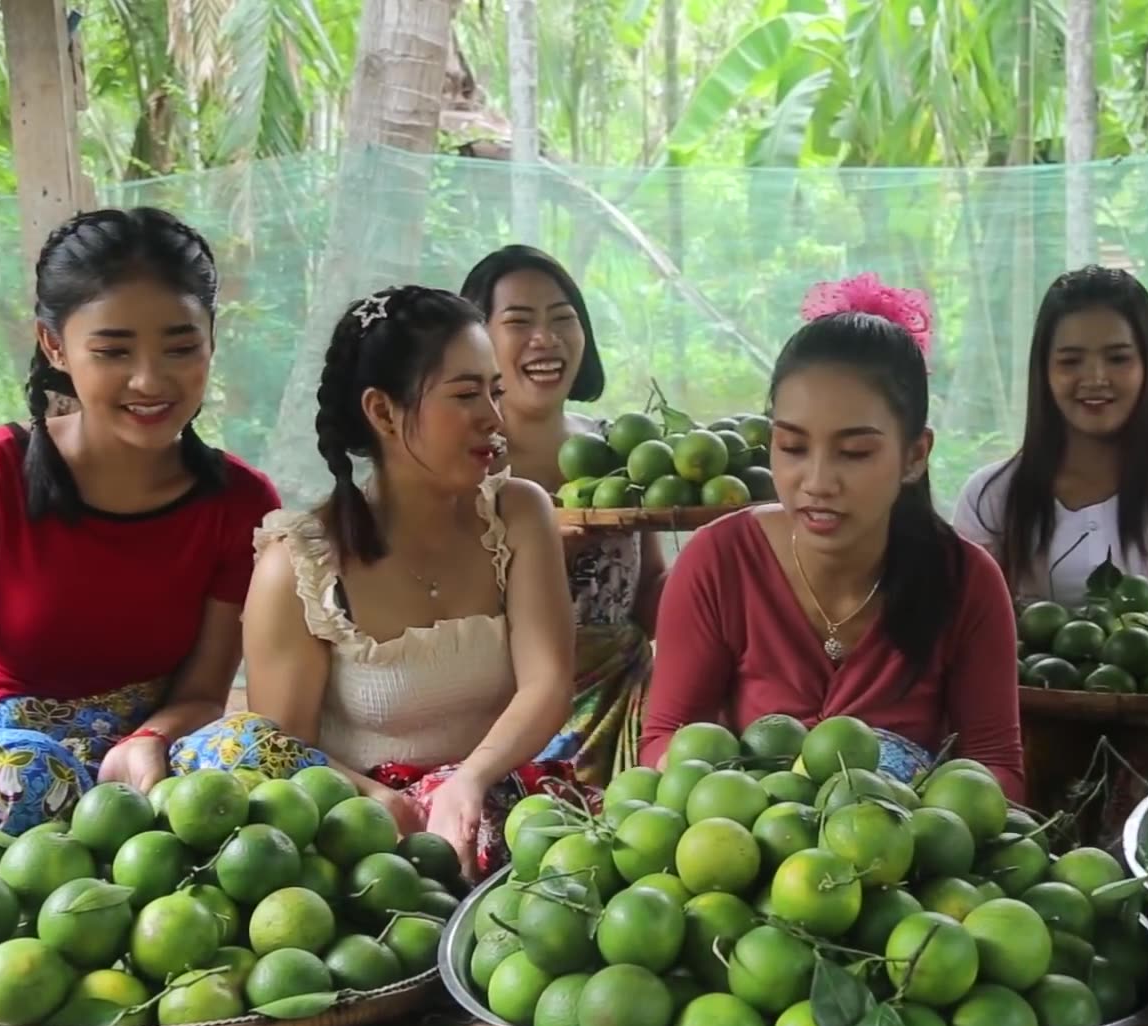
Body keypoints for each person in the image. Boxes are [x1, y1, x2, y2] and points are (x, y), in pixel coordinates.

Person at [0, 208, 282, 885]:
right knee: (18, 780)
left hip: (157, 756)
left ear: (212, 339)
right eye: (114, 351)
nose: (150, 380)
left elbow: (208, 690)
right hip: (11, 758)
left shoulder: (241, 503)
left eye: (181, 348)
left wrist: (151, 738)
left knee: (264, 756)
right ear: (55, 346)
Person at [229, 284, 576, 881]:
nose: (494, 418)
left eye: (495, 391)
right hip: (368, 837)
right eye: (465, 394)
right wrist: (381, 801)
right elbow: (285, 756)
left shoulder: (519, 512)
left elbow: (547, 684)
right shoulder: (301, 565)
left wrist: (467, 782)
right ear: (383, 411)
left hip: (499, 794)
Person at [638, 273, 1025, 800]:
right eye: (793, 447)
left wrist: (920, 821)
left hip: (901, 864)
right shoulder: (718, 562)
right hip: (741, 860)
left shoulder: (968, 582)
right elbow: (666, 738)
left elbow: (997, 766)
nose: (817, 483)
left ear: (915, 455)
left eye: (855, 453)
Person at [459, 246, 665, 784]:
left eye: (562, 319)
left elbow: (650, 593)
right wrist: (543, 557)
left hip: (632, 702)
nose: (545, 339)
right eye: (519, 321)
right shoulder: (459, 461)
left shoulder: (618, 448)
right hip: (503, 719)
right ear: (475, 343)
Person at [954, 266, 1148, 611]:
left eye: (1118, 358)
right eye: (1070, 361)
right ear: (1042, 370)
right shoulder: (989, 496)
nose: (1094, 378)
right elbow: (974, 634)